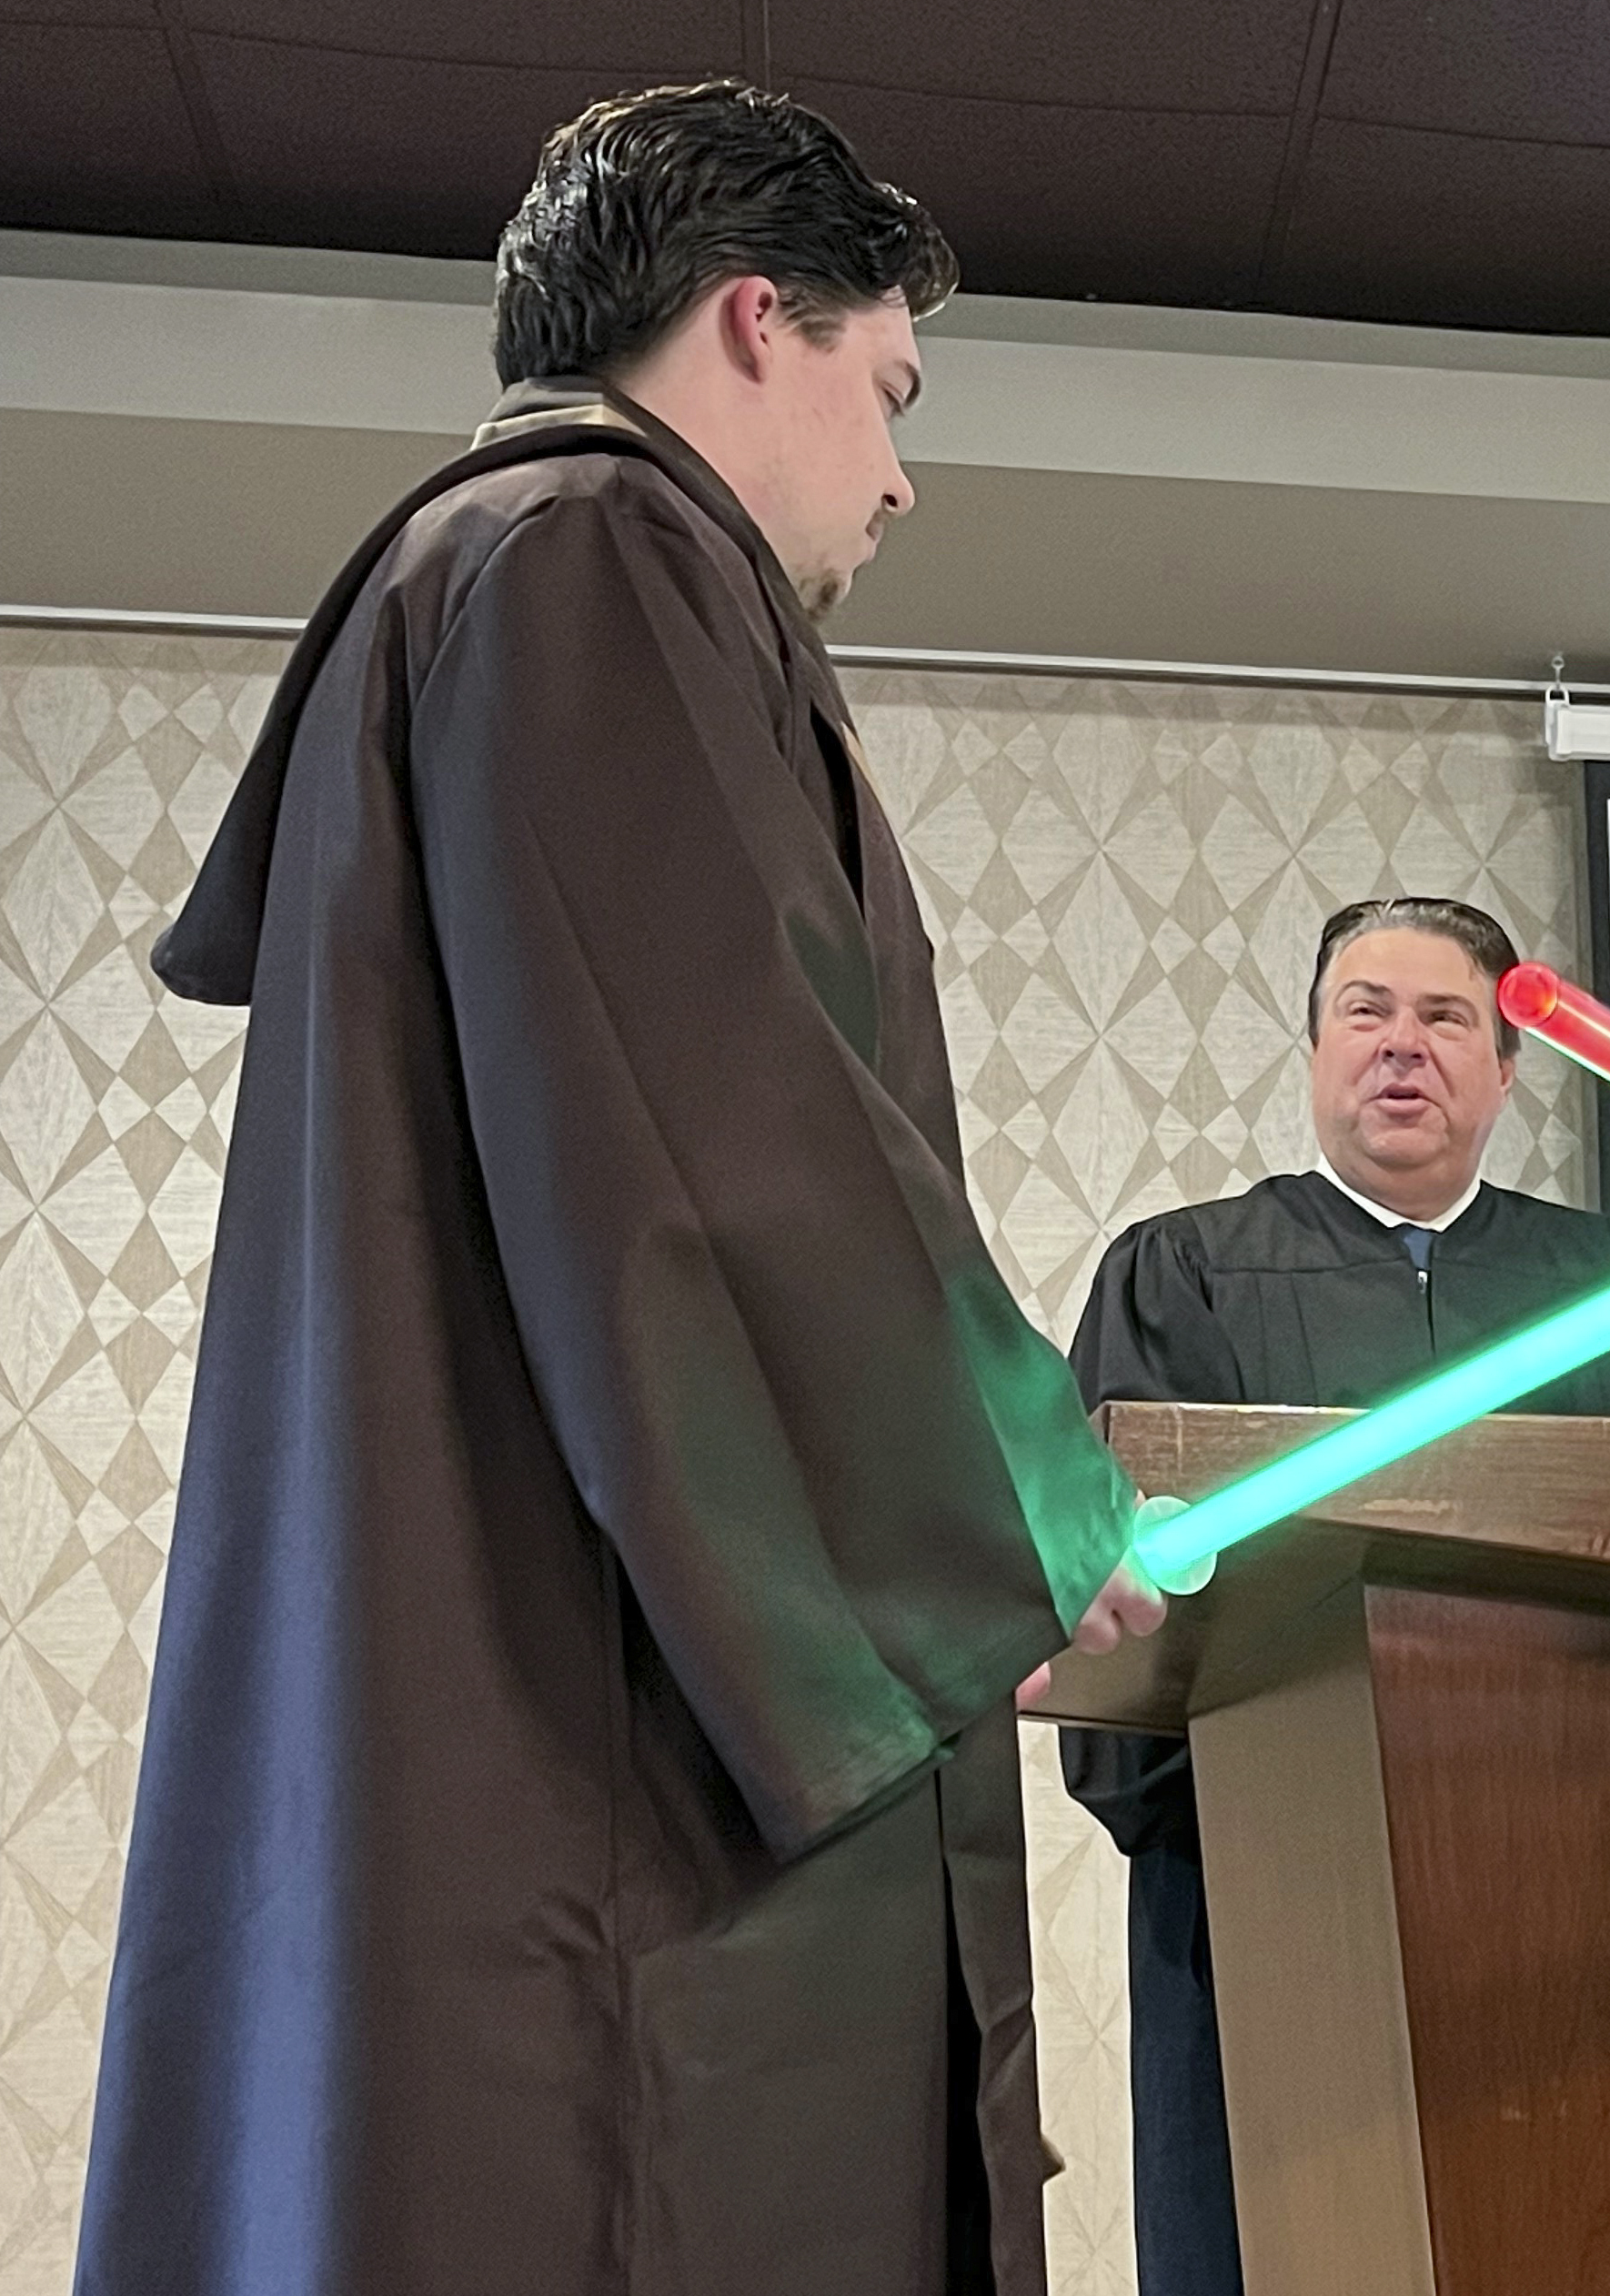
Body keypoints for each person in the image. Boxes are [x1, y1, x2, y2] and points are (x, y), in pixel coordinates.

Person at [77, 82, 1162, 2296]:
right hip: (613, 1794)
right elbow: (716, 1138)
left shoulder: (505, 582)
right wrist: (1024, 1517)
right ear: (756, 319)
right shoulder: (585, 555)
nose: (902, 471)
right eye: (888, 388)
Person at [1062, 895, 1610, 2296]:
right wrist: (1239, 1818)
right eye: (1364, 1013)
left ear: (1508, 1070)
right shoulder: (1184, 1271)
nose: (1403, 1047)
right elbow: (1105, 1602)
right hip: (1267, 1892)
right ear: (1315, 1052)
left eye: (1447, 1018)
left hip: (1585, 1896)